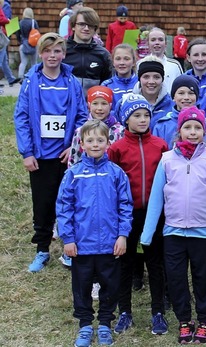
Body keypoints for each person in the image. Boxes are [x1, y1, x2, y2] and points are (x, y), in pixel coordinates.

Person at [142, 106, 206, 344]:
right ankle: (184, 320)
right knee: (176, 279)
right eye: (187, 127)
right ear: (179, 131)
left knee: (204, 278)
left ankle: (205, 320)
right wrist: (148, 234)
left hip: (204, 233)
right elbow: (157, 198)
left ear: (204, 131)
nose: (192, 132)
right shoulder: (167, 160)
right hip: (174, 232)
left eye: (197, 127)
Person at [14, 32, 88, 272]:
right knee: (43, 204)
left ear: (64, 54)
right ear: (41, 53)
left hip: (66, 156)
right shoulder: (31, 81)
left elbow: (81, 116)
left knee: (69, 202)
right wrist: (27, 152)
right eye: (48, 51)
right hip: (40, 156)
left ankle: (70, 249)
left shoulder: (72, 81)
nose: (52, 55)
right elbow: (22, 117)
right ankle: (42, 250)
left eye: (57, 51)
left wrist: (73, 146)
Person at [56, 120, 133, 347]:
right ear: (82, 144)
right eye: (90, 140)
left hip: (110, 244)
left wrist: (122, 235)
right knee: (81, 286)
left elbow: (125, 206)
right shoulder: (74, 174)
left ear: (109, 143)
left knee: (110, 285)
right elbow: (64, 207)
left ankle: (105, 324)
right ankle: (85, 325)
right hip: (81, 245)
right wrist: (68, 238)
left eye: (100, 140)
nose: (95, 144)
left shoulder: (116, 174)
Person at [108, 93, 169, 336]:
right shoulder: (117, 148)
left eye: (146, 115)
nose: (143, 120)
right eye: (137, 116)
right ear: (126, 120)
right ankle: (125, 311)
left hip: (155, 215)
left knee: (156, 262)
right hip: (126, 215)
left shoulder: (160, 146)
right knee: (125, 262)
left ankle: (158, 312)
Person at [153, 75, 206, 149]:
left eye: (191, 93)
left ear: (197, 97)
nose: (186, 97)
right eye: (181, 93)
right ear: (173, 97)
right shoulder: (162, 126)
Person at [68, 86, 125, 167]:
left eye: (104, 103)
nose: (99, 108)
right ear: (89, 105)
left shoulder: (120, 131)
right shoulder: (81, 131)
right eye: (95, 103)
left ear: (110, 105)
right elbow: (74, 159)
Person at [63, 7, 113, 95]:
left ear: (95, 29)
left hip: (93, 107)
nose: (86, 28)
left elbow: (108, 85)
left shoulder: (103, 55)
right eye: (82, 24)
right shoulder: (62, 51)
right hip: (66, 106)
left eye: (90, 25)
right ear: (73, 26)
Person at [133, 55, 173, 128]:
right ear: (139, 79)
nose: (151, 81)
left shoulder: (172, 106)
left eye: (156, 77)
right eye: (146, 77)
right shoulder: (127, 104)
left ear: (162, 79)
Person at [143, 27, 183, 91]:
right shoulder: (141, 64)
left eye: (160, 40)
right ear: (148, 43)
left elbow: (182, 88)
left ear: (166, 43)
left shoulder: (175, 66)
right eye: (153, 40)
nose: (157, 43)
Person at [102, 43, 138, 109]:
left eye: (126, 59)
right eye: (118, 59)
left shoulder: (140, 83)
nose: (122, 63)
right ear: (113, 62)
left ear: (133, 62)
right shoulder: (106, 85)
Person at [16, 7, 38, 79]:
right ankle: (33, 75)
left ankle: (20, 76)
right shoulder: (33, 22)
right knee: (34, 62)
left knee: (23, 62)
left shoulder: (20, 22)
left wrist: (20, 41)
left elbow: (17, 34)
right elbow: (37, 33)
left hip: (23, 44)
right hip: (33, 44)